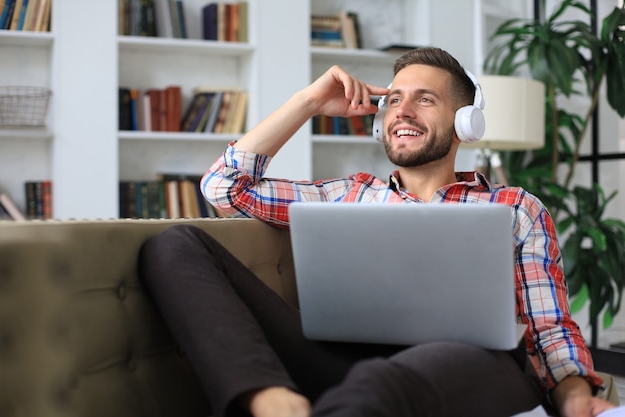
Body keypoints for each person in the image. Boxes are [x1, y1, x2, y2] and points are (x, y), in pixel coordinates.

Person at [139, 47, 615, 417]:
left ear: (465, 124)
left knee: (377, 388)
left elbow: (549, 327)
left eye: (424, 100)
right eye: (393, 101)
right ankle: (272, 401)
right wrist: (308, 102)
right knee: (175, 245)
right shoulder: (346, 194)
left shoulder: (515, 208)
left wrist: (573, 394)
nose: (402, 111)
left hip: (479, 366)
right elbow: (223, 188)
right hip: (345, 361)